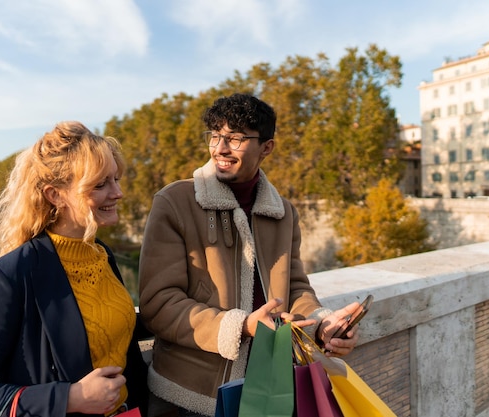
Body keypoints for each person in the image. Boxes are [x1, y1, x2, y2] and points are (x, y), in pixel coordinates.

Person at [138, 93, 361, 417]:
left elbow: (295, 289)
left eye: (236, 138)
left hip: (270, 393)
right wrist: (240, 326)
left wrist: (323, 323)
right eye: (215, 136)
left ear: (266, 147)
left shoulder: (283, 212)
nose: (220, 148)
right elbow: (158, 304)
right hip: (189, 398)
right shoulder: (174, 201)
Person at [0, 122, 148, 417]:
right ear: (55, 195)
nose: (118, 193)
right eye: (100, 185)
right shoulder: (9, 276)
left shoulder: (101, 254)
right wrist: (69, 398)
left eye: (116, 179)